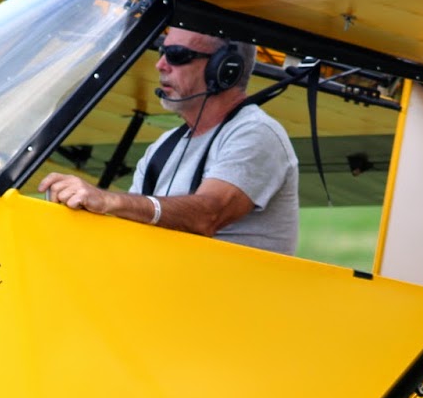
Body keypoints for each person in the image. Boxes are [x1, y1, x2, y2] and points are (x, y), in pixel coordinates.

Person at [39, 28, 300, 255]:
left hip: (235, 307)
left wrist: (111, 201)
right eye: (162, 52)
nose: (160, 64)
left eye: (176, 55)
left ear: (224, 69)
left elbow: (208, 214)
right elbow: (131, 228)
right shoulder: (163, 146)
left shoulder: (256, 132)